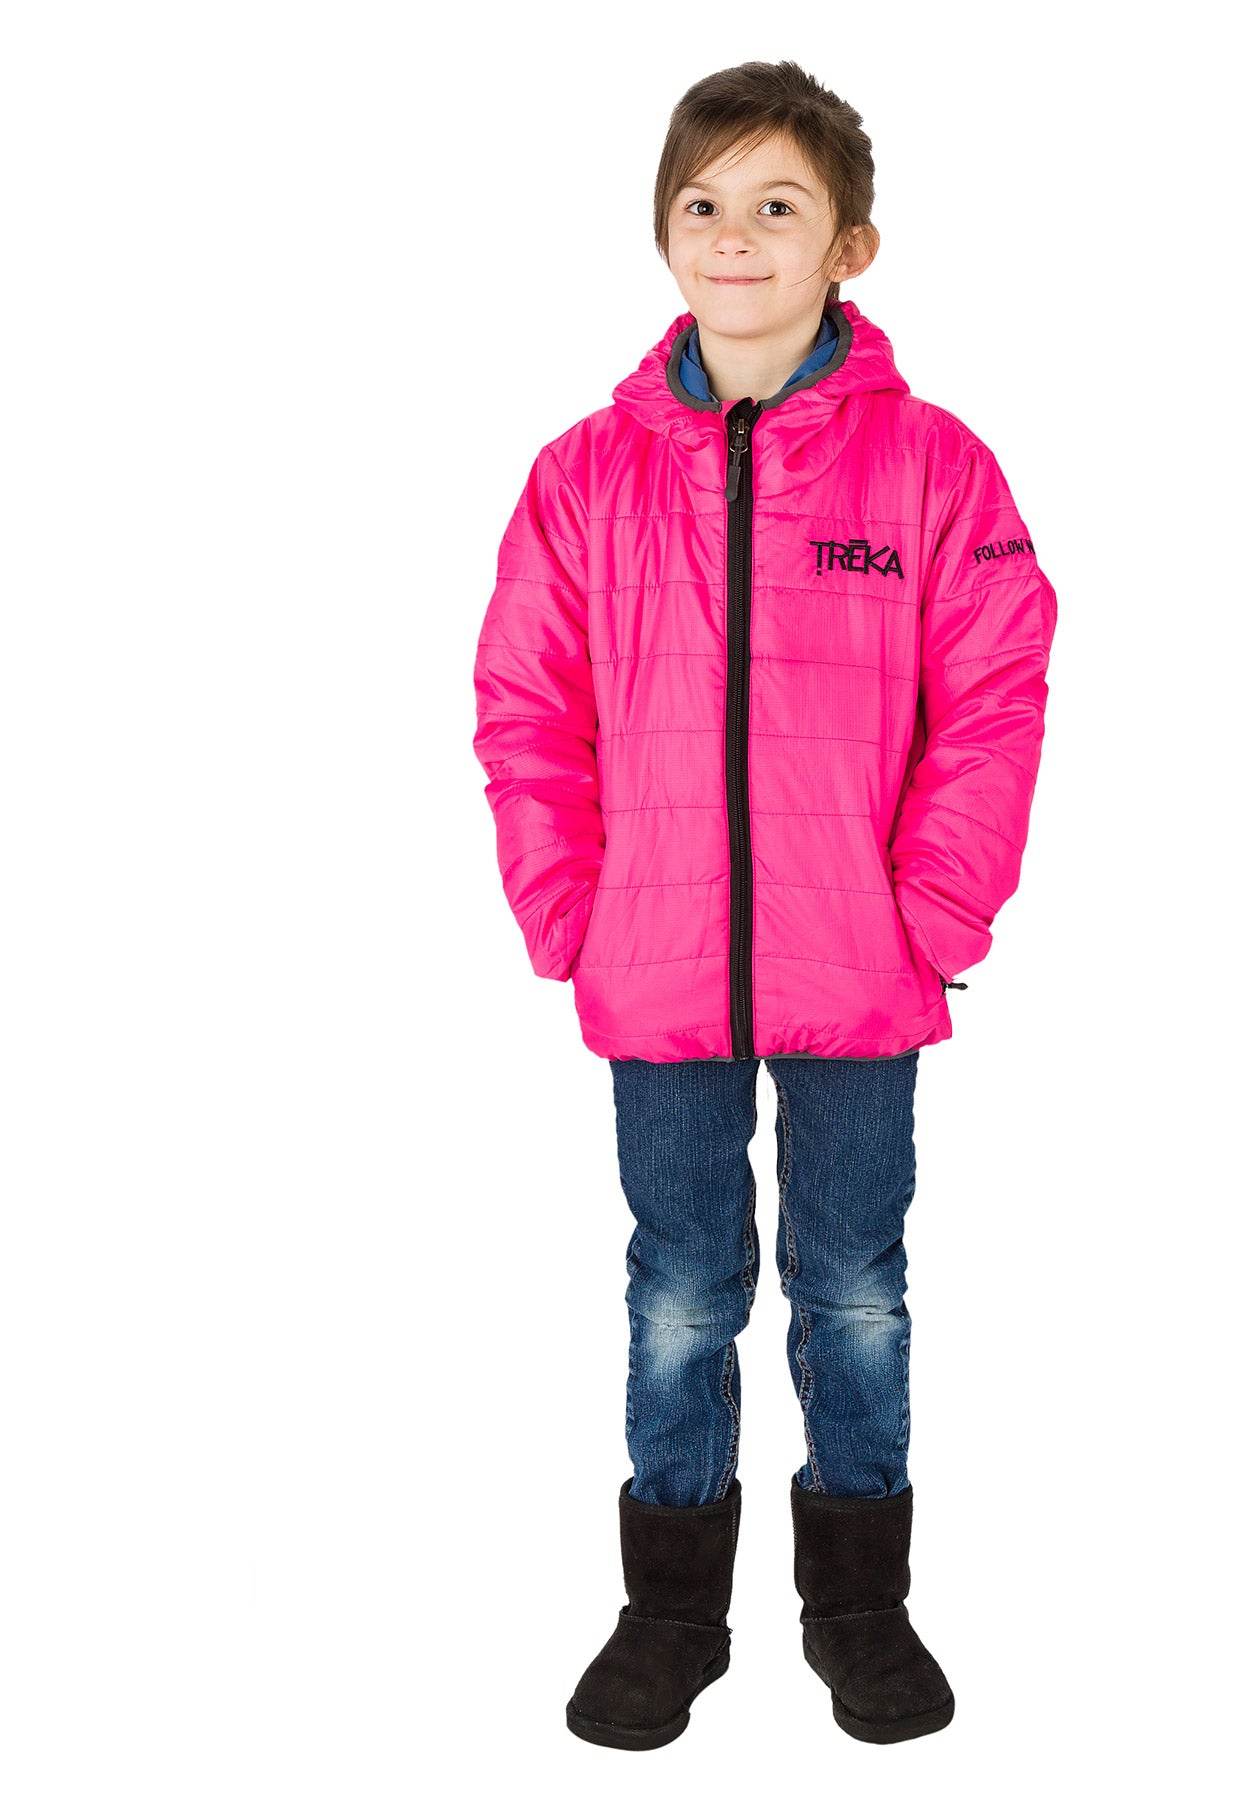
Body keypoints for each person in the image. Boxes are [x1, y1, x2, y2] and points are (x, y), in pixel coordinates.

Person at [473, 61, 1058, 1750]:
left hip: (863, 967)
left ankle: (859, 1606)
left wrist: (934, 912)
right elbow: (527, 703)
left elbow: (997, 692)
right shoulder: (583, 476)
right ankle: (671, 1613)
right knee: (679, 1286)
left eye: (777, 206)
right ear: (664, 234)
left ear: (848, 246)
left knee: (855, 1281)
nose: (736, 237)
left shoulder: (933, 468)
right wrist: (570, 910)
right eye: (704, 204)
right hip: (656, 969)